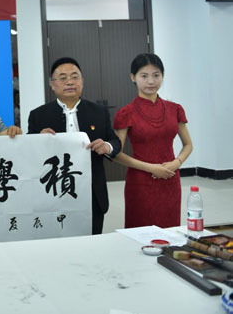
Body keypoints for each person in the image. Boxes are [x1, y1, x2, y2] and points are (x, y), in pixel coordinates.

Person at [27, 57, 121, 235]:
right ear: (52, 84)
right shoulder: (38, 115)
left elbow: (116, 142)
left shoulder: (99, 112)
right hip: (53, 191)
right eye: (62, 78)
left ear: (82, 81)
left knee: (92, 240)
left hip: (91, 192)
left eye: (74, 77)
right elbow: (28, 153)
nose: (69, 82)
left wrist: (107, 146)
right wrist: (37, 141)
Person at [113, 53, 193, 228]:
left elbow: (188, 145)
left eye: (156, 75)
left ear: (162, 76)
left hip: (170, 177)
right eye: (144, 76)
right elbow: (116, 154)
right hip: (140, 181)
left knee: (170, 230)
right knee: (141, 230)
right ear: (133, 77)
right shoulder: (126, 113)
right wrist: (151, 168)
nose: (151, 81)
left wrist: (176, 163)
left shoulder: (175, 109)